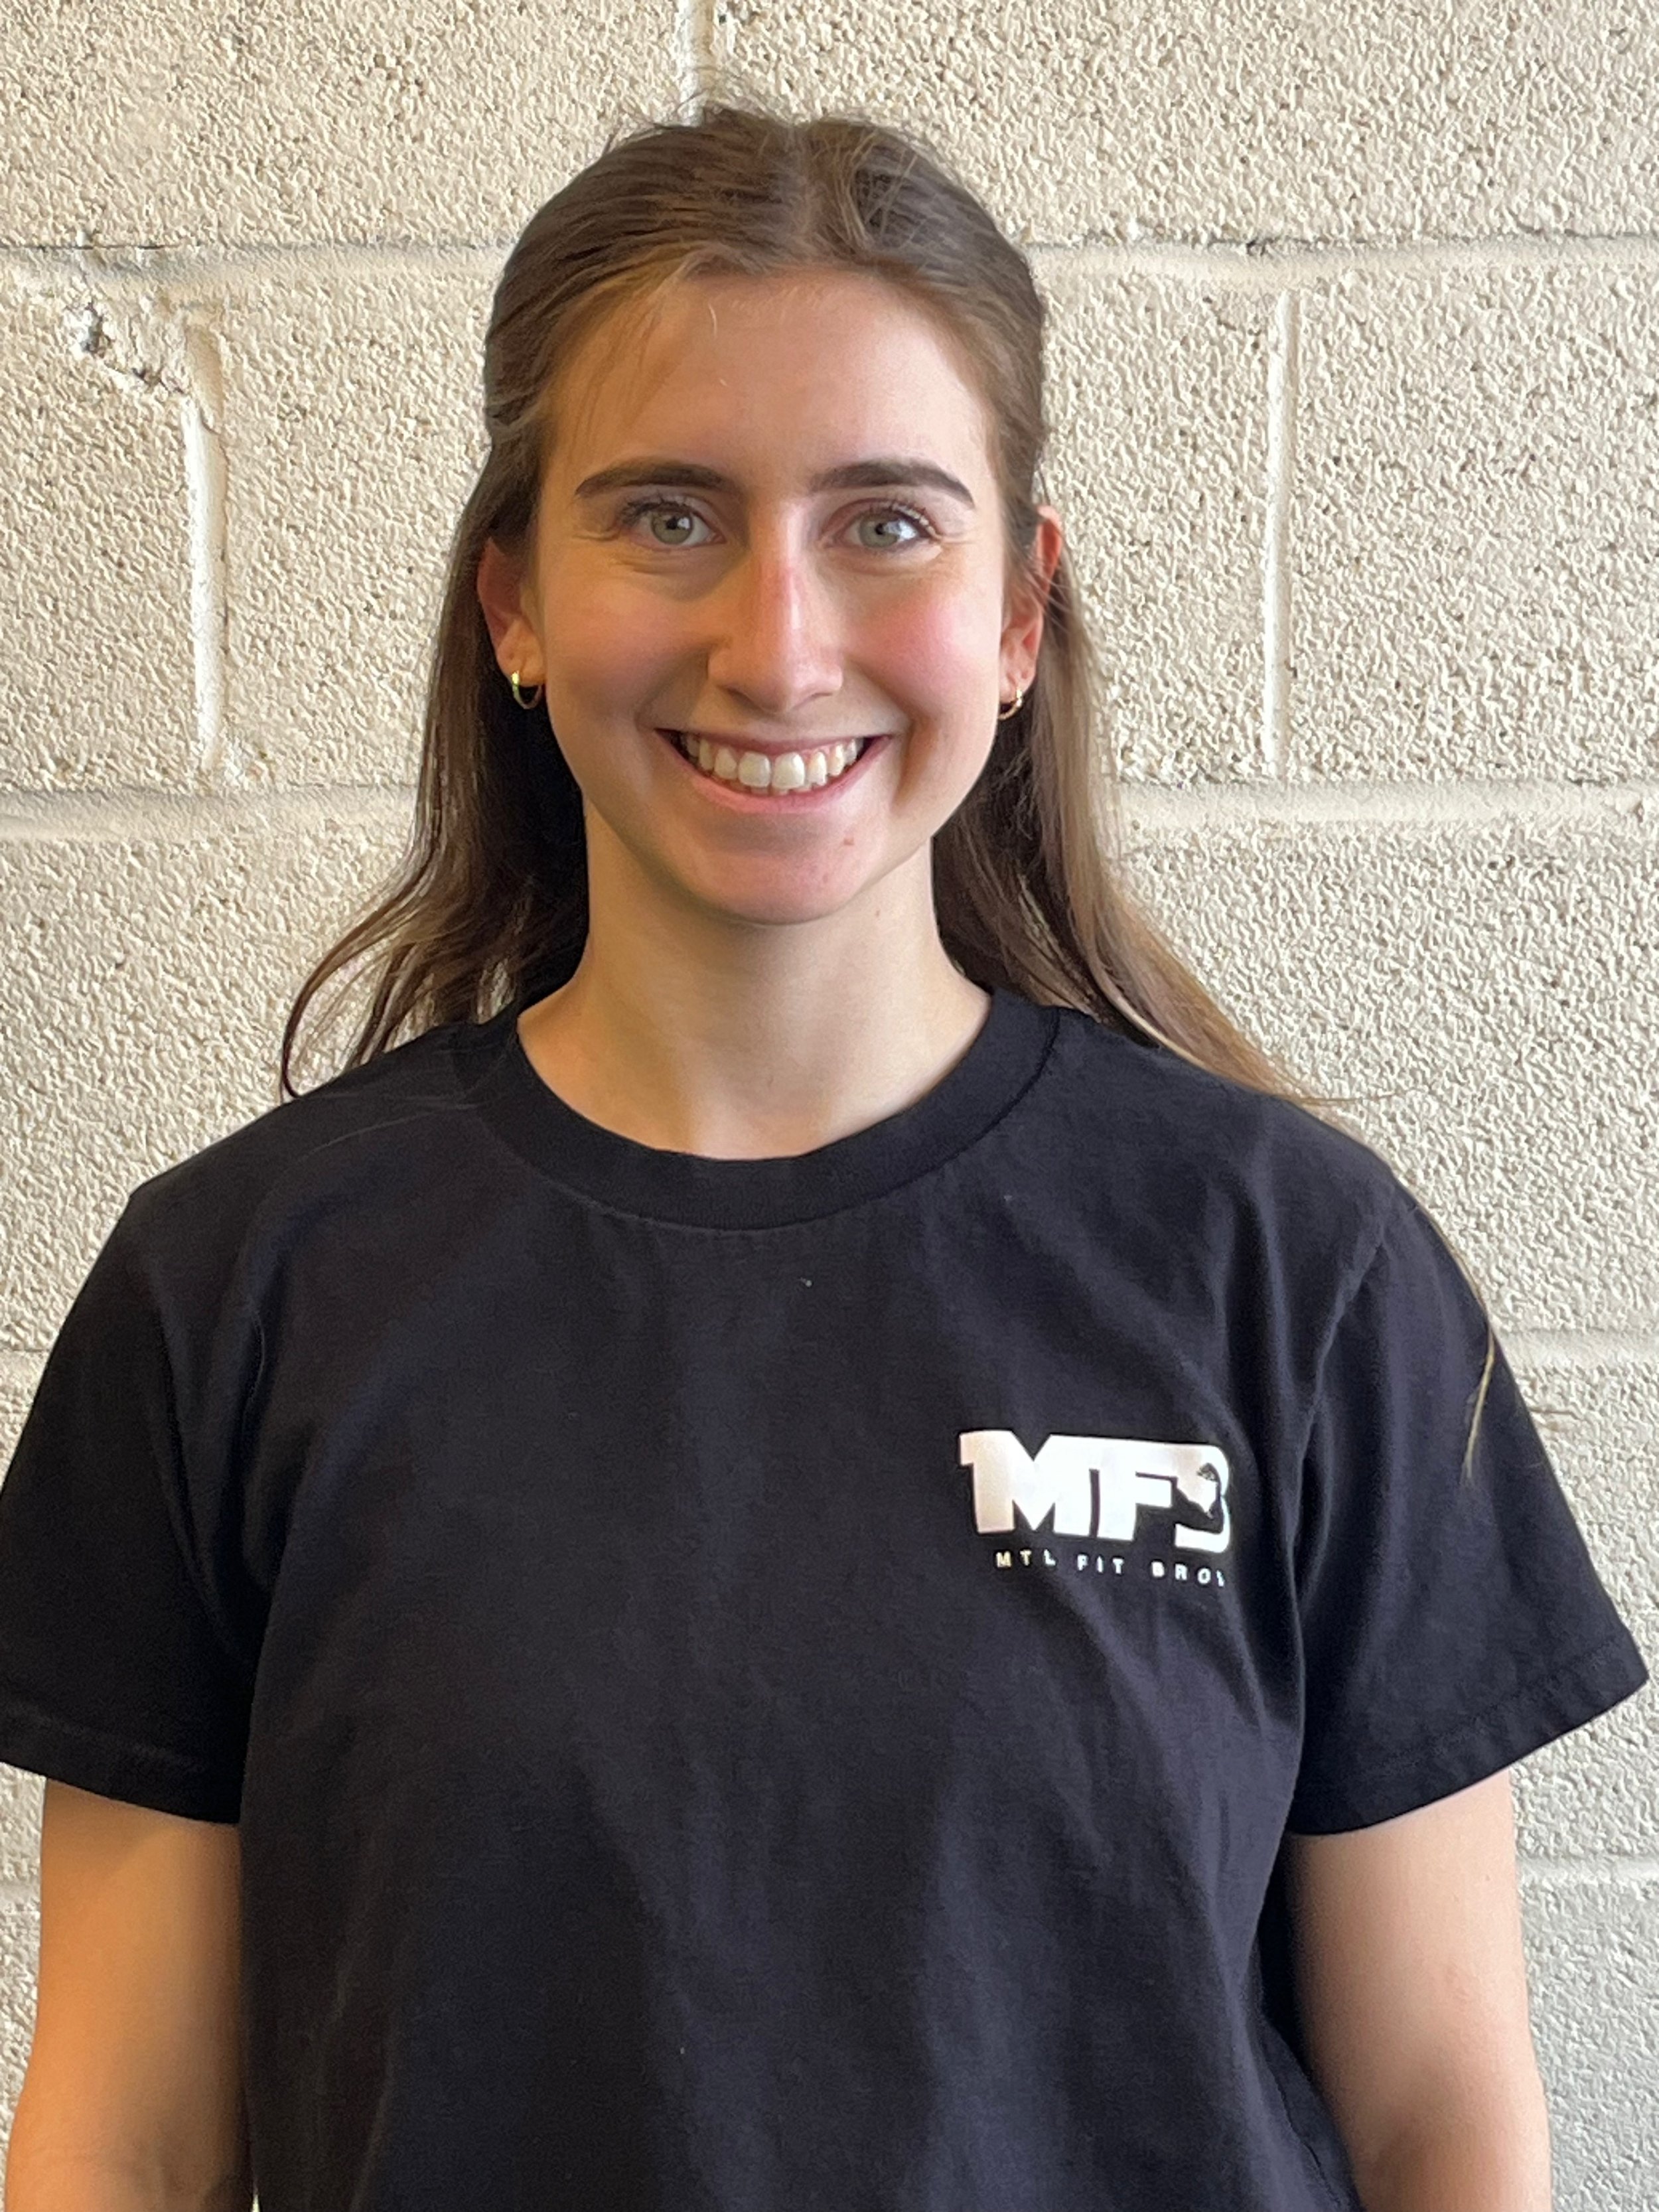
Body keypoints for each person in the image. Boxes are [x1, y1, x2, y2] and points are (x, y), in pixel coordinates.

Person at [0, 96, 1646, 2212]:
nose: (776, 643)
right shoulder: (237, 1293)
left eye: (884, 522)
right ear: (511, 600)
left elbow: (1443, 2131)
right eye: (665, 516)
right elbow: (119, 2151)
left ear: (1021, 612)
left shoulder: (1290, 1273)